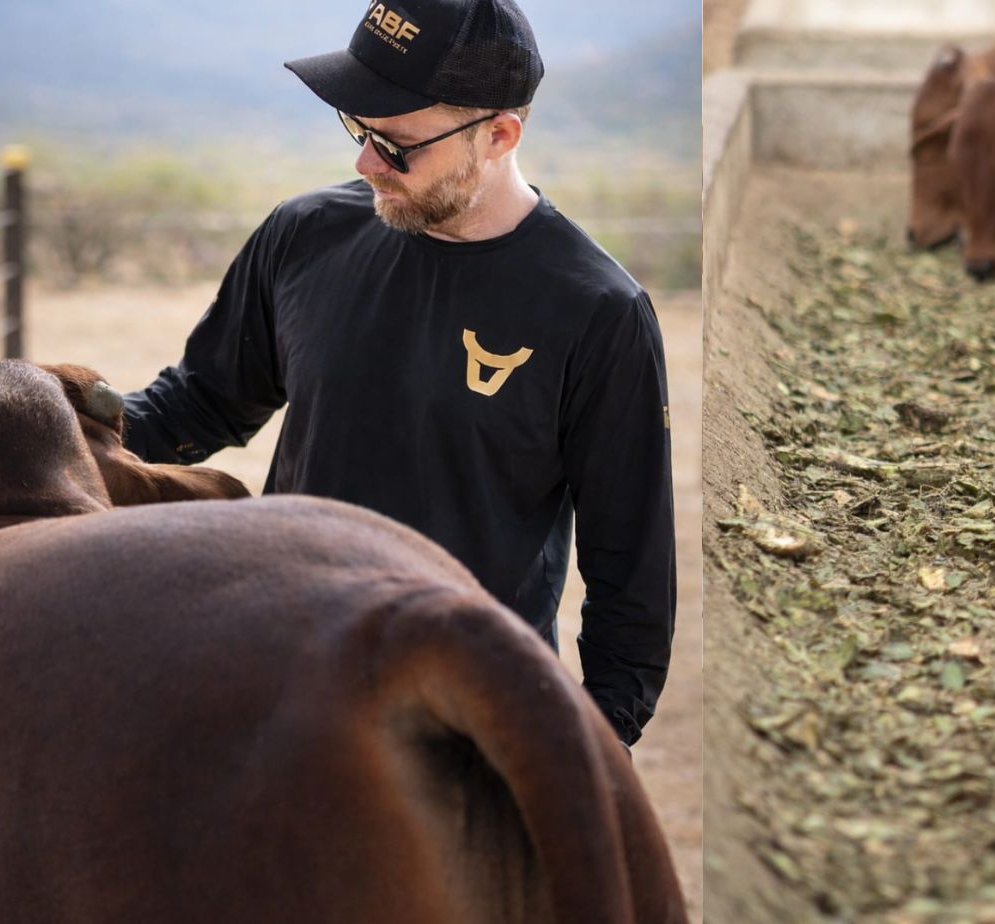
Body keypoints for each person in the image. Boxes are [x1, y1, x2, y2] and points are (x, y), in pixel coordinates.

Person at [121, 0, 674, 748]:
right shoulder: (303, 235)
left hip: (464, 713)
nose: (365, 162)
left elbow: (630, 574)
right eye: (359, 129)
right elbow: (199, 402)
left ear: (500, 134)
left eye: (397, 143)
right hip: (285, 672)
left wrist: (597, 747)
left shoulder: (598, 312)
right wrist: (51, 421)